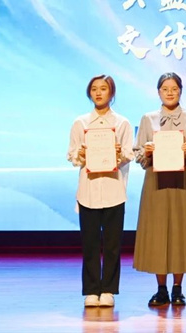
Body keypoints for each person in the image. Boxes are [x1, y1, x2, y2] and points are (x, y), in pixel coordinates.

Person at [133, 72, 186, 307]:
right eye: (165, 89)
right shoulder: (148, 119)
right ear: (158, 92)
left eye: (174, 89)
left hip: (183, 181)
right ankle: (161, 289)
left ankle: (178, 288)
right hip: (156, 182)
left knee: (180, 233)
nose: (170, 93)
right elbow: (137, 154)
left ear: (180, 91)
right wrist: (146, 151)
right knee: (158, 233)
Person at [67, 75, 134, 308]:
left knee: (113, 246)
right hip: (88, 191)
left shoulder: (122, 123)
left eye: (103, 89)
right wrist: (81, 155)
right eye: (94, 89)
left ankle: (108, 290)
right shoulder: (81, 123)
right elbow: (72, 155)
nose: (98, 93)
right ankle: (91, 290)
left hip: (114, 190)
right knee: (90, 244)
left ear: (111, 93)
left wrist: (118, 153)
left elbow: (129, 154)